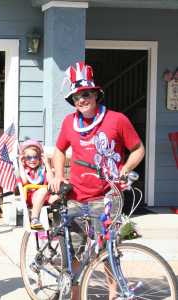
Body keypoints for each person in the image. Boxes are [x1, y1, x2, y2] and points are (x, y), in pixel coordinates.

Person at [50, 62, 145, 299]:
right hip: (75, 196)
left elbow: (138, 149)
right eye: (76, 97)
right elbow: (59, 150)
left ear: (96, 94)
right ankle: (74, 295)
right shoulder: (69, 123)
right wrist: (59, 175)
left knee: (108, 250)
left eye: (86, 94)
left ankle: (113, 295)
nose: (81, 100)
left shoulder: (117, 120)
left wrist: (125, 169)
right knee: (72, 250)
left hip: (105, 197)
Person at [19, 139, 58, 230]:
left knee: (60, 195)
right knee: (44, 190)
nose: (32, 160)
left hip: (45, 197)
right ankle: (34, 218)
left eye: (35, 157)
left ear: (40, 158)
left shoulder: (42, 169)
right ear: (24, 159)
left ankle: (58, 223)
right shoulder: (25, 170)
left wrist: (47, 164)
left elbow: (51, 180)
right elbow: (24, 182)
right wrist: (21, 165)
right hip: (31, 197)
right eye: (28, 157)